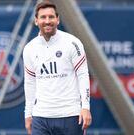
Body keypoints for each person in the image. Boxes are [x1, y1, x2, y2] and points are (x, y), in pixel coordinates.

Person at [22, 1, 92, 135]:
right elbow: (30, 83)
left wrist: (85, 107)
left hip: (71, 115)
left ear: (58, 19)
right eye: (43, 17)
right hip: (41, 117)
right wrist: (28, 114)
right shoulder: (29, 49)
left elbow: (83, 75)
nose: (47, 21)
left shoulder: (72, 43)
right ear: (36, 21)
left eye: (51, 17)